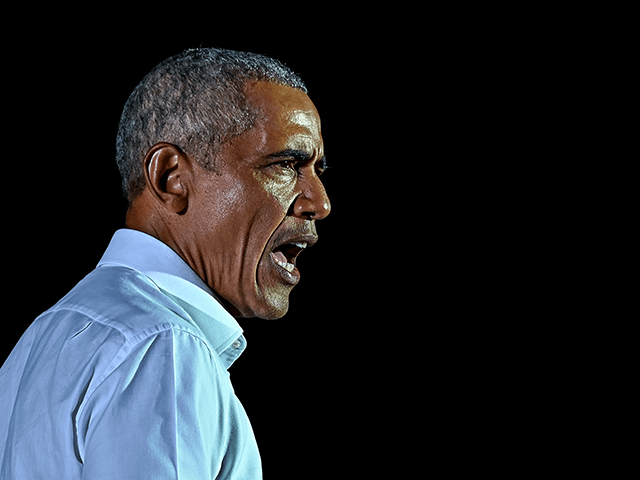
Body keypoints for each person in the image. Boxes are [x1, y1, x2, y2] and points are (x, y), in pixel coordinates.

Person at [0, 48, 331, 479]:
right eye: (286, 164)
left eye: (318, 169)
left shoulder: (39, 339)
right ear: (171, 177)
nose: (319, 203)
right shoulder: (166, 347)